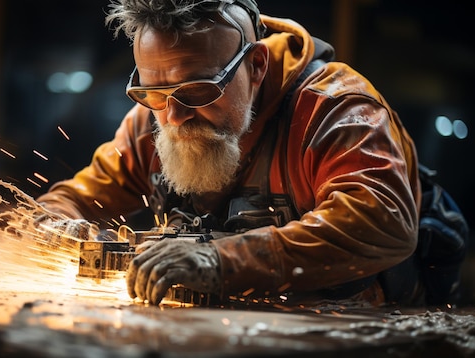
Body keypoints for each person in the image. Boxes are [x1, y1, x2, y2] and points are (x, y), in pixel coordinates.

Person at [35, 0, 422, 307]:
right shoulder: (152, 118)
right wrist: (59, 230)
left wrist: (223, 260)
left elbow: (382, 221)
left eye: (199, 90)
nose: (174, 116)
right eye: (154, 93)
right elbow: (69, 202)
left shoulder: (334, 110)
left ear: (255, 66)